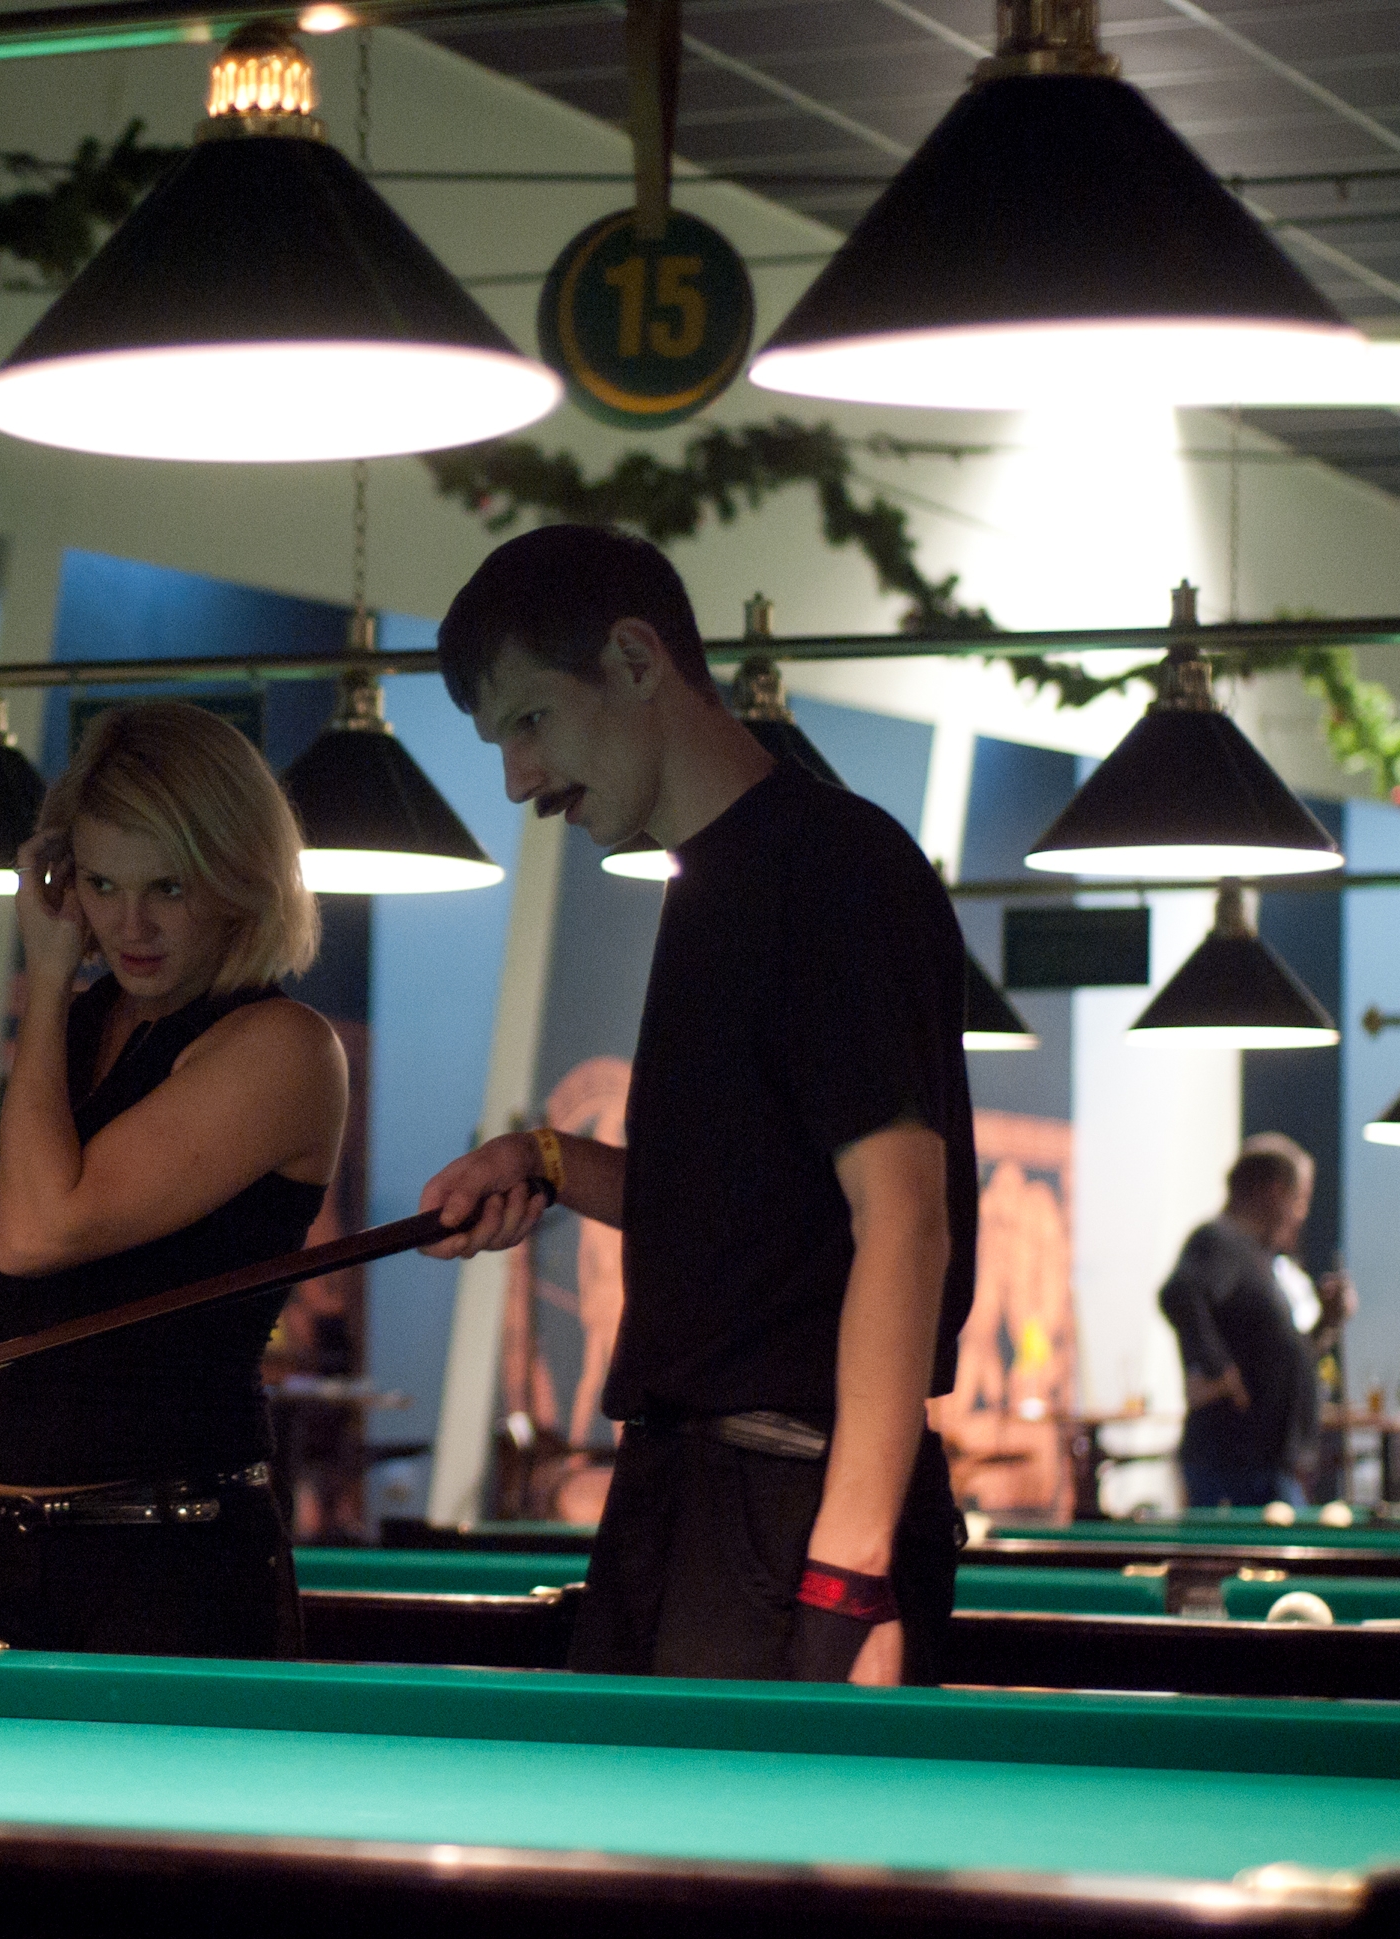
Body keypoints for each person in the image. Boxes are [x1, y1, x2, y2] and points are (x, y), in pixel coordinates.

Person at [415, 525, 975, 1687]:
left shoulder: (829, 865)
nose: (517, 777)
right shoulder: (708, 881)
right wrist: (548, 1160)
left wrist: (848, 1577)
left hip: (793, 1499)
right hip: (688, 1490)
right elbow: (751, 1210)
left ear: (633, 659)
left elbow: (904, 1219)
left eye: (530, 721)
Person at [0, 703, 348, 1656]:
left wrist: (44, 976)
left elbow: (40, 1232)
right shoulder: (82, 1023)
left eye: (168, 887)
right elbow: (26, 1311)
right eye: (103, 883)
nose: (129, 923)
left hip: (163, 1561)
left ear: (240, 878)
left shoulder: (283, 1048)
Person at [1160, 1135, 1354, 1509]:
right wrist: (1219, 1370)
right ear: (1276, 1192)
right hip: (1234, 1463)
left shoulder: (1256, 1257)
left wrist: (1327, 1323)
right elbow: (1179, 1293)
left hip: (1263, 1464)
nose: (1301, 1213)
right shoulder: (1220, 1240)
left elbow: (1277, 1355)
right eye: (1300, 1198)